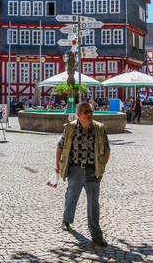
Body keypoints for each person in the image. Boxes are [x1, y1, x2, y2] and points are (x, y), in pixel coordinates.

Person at [55, 102, 111, 247]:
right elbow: (60, 146)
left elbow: (107, 149)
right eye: (85, 112)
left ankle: (97, 235)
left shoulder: (99, 128)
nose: (89, 114)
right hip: (75, 169)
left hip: (93, 170)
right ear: (78, 115)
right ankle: (66, 220)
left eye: (90, 111)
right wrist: (57, 165)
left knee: (93, 204)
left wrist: (102, 167)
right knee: (71, 197)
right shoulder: (70, 128)